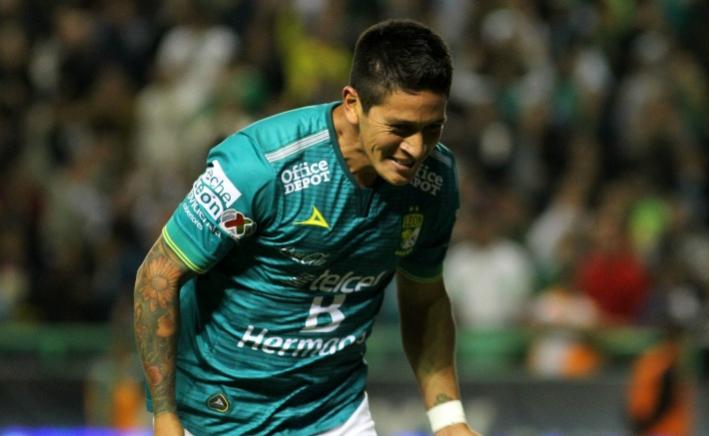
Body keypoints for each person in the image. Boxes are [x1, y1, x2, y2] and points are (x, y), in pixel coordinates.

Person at [133, 19, 475, 435]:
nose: (416, 149)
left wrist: (448, 419)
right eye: (400, 128)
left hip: (333, 414)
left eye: (432, 128)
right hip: (216, 412)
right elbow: (159, 275)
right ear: (352, 103)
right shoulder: (259, 168)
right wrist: (165, 418)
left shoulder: (435, 183)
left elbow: (425, 299)